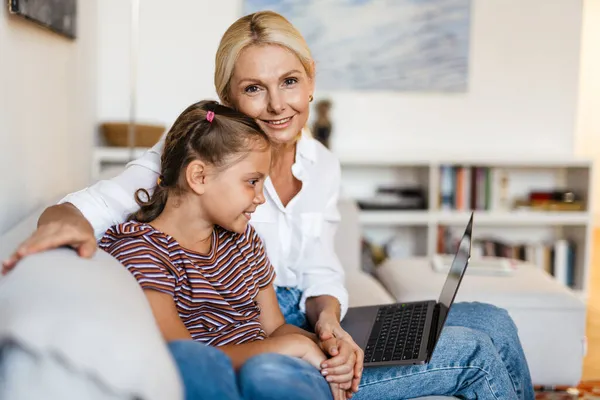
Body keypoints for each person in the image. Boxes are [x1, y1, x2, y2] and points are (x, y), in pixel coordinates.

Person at [3, 10, 534, 400]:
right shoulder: (192, 160)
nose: (278, 105)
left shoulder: (320, 161)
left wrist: (329, 322)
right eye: (254, 89)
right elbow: (96, 204)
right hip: (268, 322)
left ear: (310, 80)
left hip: (302, 311)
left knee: (493, 318)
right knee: (469, 346)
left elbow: (322, 265)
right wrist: (57, 227)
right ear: (227, 100)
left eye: (290, 82)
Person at [102, 100, 342, 400]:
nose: (260, 198)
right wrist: (285, 348)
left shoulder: (243, 241)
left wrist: (329, 346)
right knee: (255, 371)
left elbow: (275, 328)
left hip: (282, 373)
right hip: (221, 380)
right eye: (252, 182)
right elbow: (181, 358)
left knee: (267, 372)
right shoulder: (142, 250)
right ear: (199, 176)